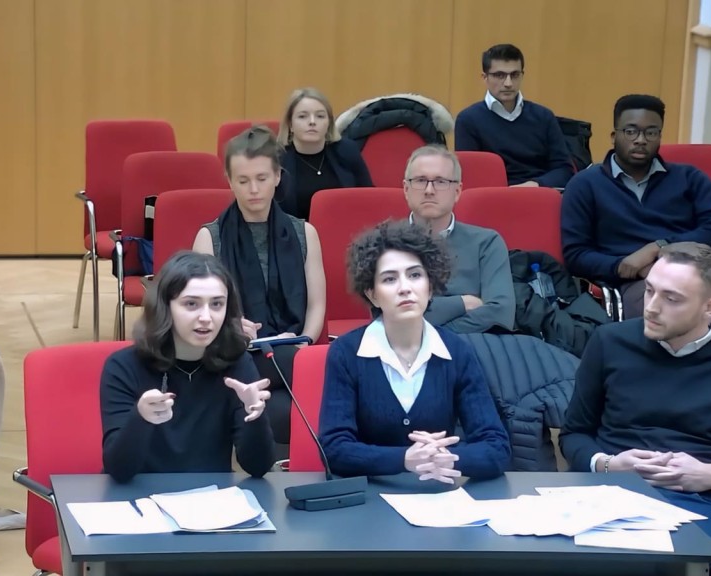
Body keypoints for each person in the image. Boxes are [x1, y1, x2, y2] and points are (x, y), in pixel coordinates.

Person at [560, 242, 711, 576]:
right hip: (608, 495)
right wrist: (608, 464)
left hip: (701, 500)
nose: (651, 307)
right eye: (649, 290)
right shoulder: (609, 341)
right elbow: (574, 433)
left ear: (710, 307)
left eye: (672, 298)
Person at [319, 220, 511, 480]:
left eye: (415, 275)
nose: (405, 288)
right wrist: (405, 459)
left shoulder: (457, 351)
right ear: (372, 294)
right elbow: (333, 449)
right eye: (389, 279)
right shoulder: (345, 353)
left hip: (438, 497)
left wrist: (446, 458)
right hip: (369, 499)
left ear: (430, 287)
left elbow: (496, 447)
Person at [194, 125, 326, 454]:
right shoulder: (210, 238)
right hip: (232, 352)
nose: (253, 189)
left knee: (282, 405)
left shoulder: (304, 233)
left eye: (262, 179)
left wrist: (303, 343)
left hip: (292, 350)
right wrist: (231, 326)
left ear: (278, 177)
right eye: (243, 181)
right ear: (229, 180)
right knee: (287, 401)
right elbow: (198, 313)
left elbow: (316, 306)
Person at [560, 94, 711, 325]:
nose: (640, 139)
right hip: (641, 285)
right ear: (613, 136)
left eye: (650, 132)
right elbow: (576, 256)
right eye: (631, 131)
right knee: (683, 322)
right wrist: (624, 267)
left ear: (659, 136)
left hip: (703, 274)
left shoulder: (689, 178)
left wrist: (660, 248)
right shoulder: (585, 185)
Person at [100, 251, 276, 482]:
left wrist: (254, 415)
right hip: (140, 503)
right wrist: (141, 419)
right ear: (165, 307)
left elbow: (258, 467)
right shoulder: (123, 366)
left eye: (217, 304)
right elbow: (119, 471)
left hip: (209, 504)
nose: (206, 317)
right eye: (191, 304)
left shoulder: (237, 363)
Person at [404, 144, 515, 333]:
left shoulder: (487, 242)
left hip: (473, 350)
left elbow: (501, 314)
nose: (429, 190)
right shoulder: (385, 243)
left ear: (457, 192)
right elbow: (387, 315)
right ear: (406, 189)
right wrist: (463, 303)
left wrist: (435, 334)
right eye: (421, 180)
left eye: (440, 182)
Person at [454, 44, 572, 188]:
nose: (508, 83)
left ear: (522, 75)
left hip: (539, 193)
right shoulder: (468, 120)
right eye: (500, 75)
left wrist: (534, 184)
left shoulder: (544, 116)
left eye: (515, 75)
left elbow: (564, 170)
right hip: (493, 197)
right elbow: (471, 174)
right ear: (484, 78)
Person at [275, 87, 374, 220]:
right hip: (293, 236)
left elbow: (369, 197)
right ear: (290, 125)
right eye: (303, 116)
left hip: (345, 230)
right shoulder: (276, 158)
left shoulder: (347, 150)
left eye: (320, 116)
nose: (312, 122)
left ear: (329, 123)